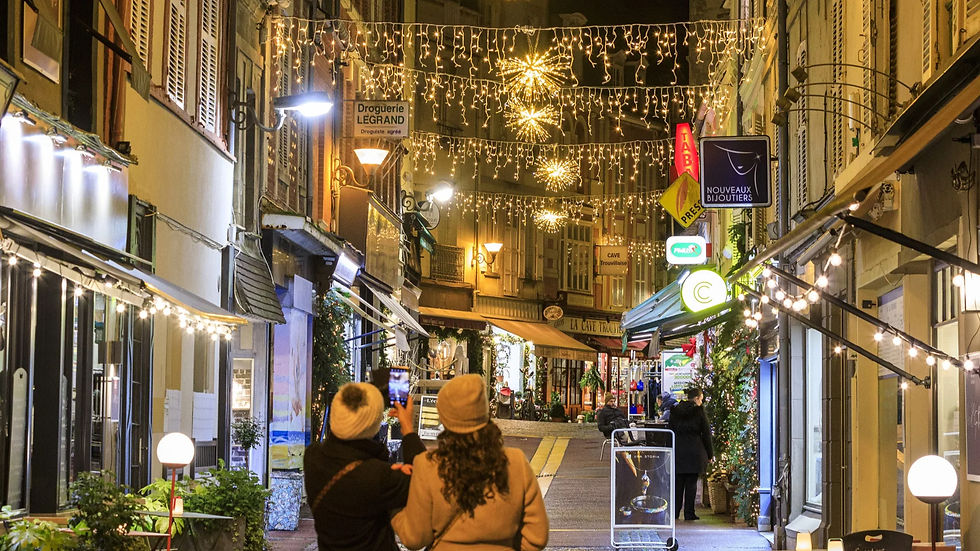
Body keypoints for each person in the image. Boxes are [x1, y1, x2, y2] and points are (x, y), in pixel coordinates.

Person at [392, 374, 549, 551]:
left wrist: (393, 510)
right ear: (484, 412)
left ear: (443, 417)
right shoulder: (516, 462)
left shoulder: (427, 465)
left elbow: (415, 538)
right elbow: (537, 537)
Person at [303, 382, 425, 551]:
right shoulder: (377, 476)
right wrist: (407, 428)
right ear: (372, 424)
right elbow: (424, 479)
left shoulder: (313, 458)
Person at [667, 387, 713, 521]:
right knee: (691, 484)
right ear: (697, 398)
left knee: (678, 483)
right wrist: (710, 454)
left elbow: (670, 431)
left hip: (678, 450)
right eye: (701, 399)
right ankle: (689, 513)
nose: (701, 402)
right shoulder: (699, 412)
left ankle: (674, 512)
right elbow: (706, 434)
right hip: (695, 451)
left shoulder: (675, 411)